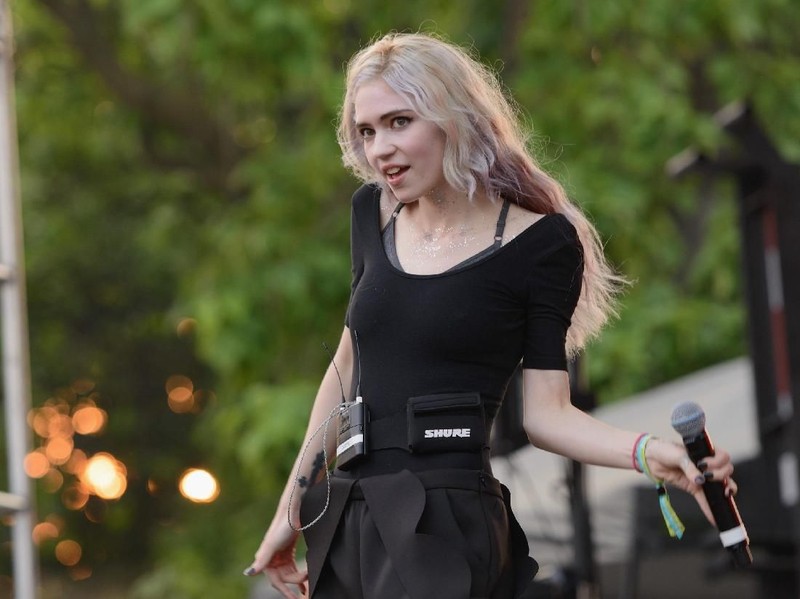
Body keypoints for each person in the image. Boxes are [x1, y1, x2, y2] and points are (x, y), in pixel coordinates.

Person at [244, 32, 737, 599]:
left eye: (400, 122)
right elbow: (345, 368)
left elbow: (548, 416)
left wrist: (653, 455)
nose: (379, 149)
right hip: (351, 519)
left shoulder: (542, 244)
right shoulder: (371, 217)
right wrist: (290, 512)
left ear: (452, 117)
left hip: (445, 525)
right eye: (367, 130)